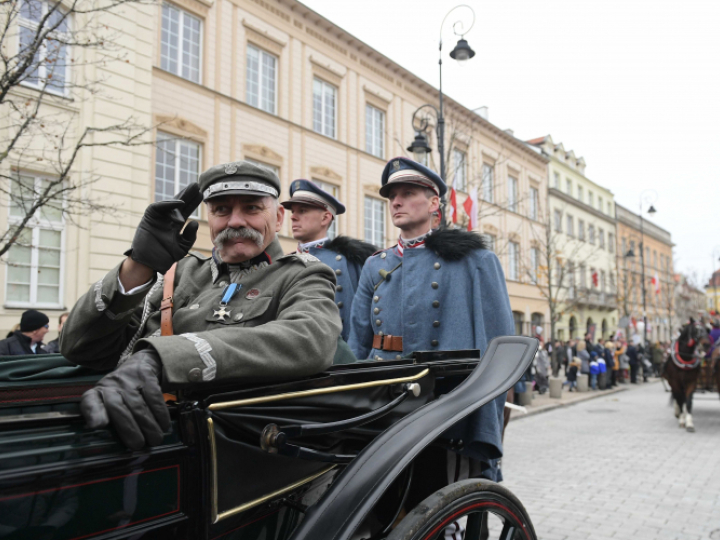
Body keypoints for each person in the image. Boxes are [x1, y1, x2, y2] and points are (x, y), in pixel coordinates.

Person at [61, 161, 342, 450]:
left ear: (279, 217)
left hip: (239, 449)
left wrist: (160, 359)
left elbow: (308, 340)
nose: (234, 221)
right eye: (221, 210)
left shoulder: (302, 273)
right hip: (146, 438)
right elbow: (79, 347)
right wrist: (138, 266)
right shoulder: (179, 273)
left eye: (252, 208)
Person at [347, 157, 514, 486]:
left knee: (440, 487)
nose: (396, 202)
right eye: (392, 196)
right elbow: (358, 341)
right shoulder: (374, 265)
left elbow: (498, 341)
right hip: (382, 394)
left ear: (435, 203)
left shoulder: (473, 261)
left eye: (408, 193)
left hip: (445, 397)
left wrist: (489, 402)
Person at [281, 179, 376, 342]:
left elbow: (363, 318)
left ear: (325, 218)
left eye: (302, 211)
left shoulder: (349, 261)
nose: (293, 217)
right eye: (293, 212)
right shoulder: (283, 263)